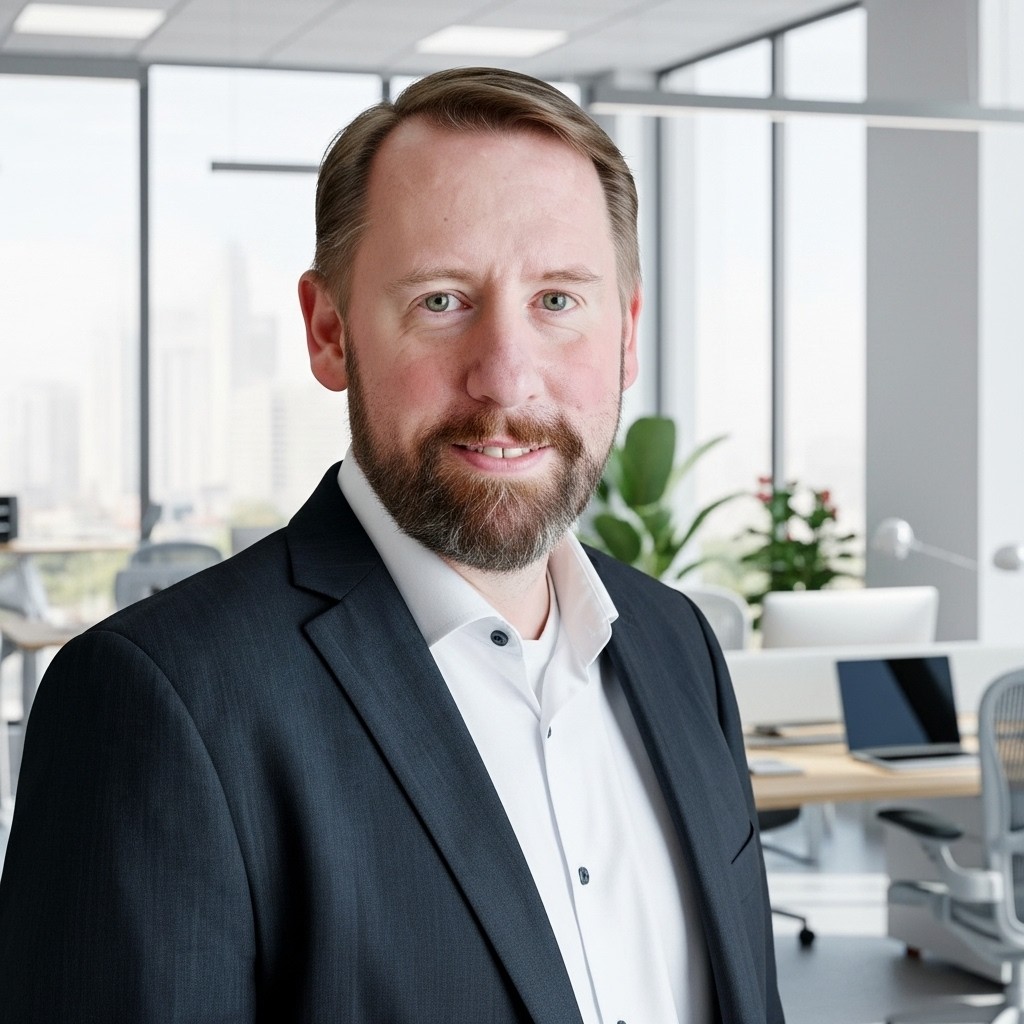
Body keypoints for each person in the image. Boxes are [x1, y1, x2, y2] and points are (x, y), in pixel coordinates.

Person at [0, 67, 783, 1023]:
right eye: (442, 300)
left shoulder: (679, 649)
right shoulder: (162, 705)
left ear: (626, 333)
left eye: (559, 301)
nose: (505, 378)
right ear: (329, 332)